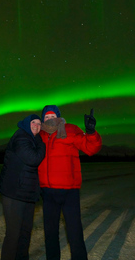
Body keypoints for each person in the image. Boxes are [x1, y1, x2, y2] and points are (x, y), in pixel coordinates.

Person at [38, 105, 102, 260]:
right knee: (50, 232)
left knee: (74, 231)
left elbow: (90, 148)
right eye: (47, 117)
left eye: (52, 116)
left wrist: (92, 133)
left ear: (58, 116)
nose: (50, 119)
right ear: (43, 119)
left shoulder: (71, 130)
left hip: (69, 191)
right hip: (47, 191)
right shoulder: (39, 135)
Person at [0, 114, 46, 260]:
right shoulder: (21, 137)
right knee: (14, 234)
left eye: (39, 124)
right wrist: (42, 143)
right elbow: (33, 158)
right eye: (33, 123)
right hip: (14, 194)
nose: (36, 126)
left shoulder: (32, 138)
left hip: (27, 194)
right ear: (26, 124)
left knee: (25, 232)